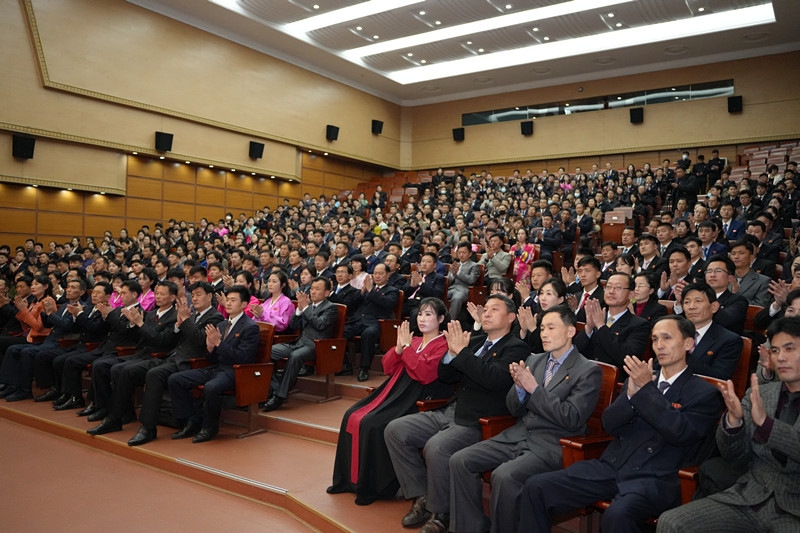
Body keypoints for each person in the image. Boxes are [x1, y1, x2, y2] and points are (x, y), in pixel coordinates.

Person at [517, 315, 724, 532]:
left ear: (688, 344)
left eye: (667, 338)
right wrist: (630, 396)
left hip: (655, 477)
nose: (659, 346)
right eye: (654, 340)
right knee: (536, 486)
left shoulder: (704, 392)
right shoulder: (640, 377)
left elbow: (680, 433)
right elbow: (610, 424)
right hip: (613, 466)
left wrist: (646, 391)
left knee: (617, 515)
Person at [449, 305, 602, 533]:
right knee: (460, 460)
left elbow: (572, 418)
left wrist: (534, 389)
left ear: (571, 331)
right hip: (517, 434)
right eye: (541, 328)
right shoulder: (534, 360)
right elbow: (512, 408)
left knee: (505, 476)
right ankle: (470, 527)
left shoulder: (588, 370)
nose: (544, 334)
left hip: (552, 443)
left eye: (551, 327)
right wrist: (520, 390)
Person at [384, 295, 530, 533]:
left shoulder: (517, 347)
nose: (487, 313)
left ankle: (442, 513)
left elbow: (493, 380)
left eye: (495, 309)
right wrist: (451, 354)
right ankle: (422, 496)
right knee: (396, 430)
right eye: (486, 310)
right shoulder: (475, 341)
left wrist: (462, 353)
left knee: (437, 447)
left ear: (511, 318)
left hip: (479, 419)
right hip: (451, 408)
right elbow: (446, 375)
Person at [657, 317, 800, 532]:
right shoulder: (761, 394)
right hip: (749, 496)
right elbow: (734, 455)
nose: (781, 357)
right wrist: (734, 424)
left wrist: (766, 425)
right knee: (672, 522)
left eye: (789, 349)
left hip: (793, 508)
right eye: (776, 350)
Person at [327, 298, 450, 505]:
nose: (422, 318)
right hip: (394, 391)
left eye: (429, 314)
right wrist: (400, 348)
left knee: (371, 424)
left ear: (441, 319)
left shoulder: (444, 345)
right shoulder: (416, 340)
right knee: (351, 415)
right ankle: (348, 482)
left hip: (415, 398)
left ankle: (374, 486)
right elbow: (387, 366)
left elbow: (424, 374)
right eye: (420, 314)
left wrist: (407, 348)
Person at [125, 281, 224, 446]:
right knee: (134, 369)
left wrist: (185, 320)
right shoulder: (192, 314)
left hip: (193, 362)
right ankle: (139, 418)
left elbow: (200, 340)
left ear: (209, 296)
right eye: (193, 295)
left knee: (154, 374)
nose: (195, 298)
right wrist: (180, 323)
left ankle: (148, 428)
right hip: (174, 357)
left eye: (199, 294)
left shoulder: (215, 316)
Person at [167, 285, 260, 443]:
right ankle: (190, 421)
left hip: (235, 371)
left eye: (233, 300)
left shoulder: (250, 327)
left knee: (211, 387)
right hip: (216, 368)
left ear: (244, 305)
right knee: (176, 379)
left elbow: (243, 358)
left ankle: (209, 428)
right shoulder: (223, 324)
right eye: (227, 300)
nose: (228, 303)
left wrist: (218, 344)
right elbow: (213, 357)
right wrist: (210, 349)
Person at [262, 277, 338, 412]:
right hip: (299, 342)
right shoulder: (306, 306)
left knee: (295, 356)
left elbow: (320, 325)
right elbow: (294, 325)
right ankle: (275, 388)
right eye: (312, 288)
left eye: (317, 289)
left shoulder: (330, 308)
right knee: (268, 352)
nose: (313, 292)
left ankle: (280, 396)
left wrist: (306, 308)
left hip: (316, 345)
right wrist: (299, 310)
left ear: (327, 293)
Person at [573, 273, 650, 375]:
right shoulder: (596, 315)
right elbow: (574, 352)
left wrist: (601, 326)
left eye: (618, 288)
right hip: (584, 375)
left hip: (611, 381)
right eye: (608, 287)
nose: (611, 291)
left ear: (631, 294)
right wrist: (589, 328)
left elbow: (626, 357)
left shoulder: (639, 325)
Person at [517, 277, 566, 353]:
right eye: (541, 293)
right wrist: (524, 331)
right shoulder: (539, 315)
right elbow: (524, 348)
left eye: (549, 294)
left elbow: (546, 349)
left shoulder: (564, 318)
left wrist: (533, 329)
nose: (543, 298)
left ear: (561, 299)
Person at [446, 242, 480, 322]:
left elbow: (471, 280)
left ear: (470, 253)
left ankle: (450, 323)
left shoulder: (474, 265)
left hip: (463, 290)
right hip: (451, 288)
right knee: (437, 293)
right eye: (459, 252)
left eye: (464, 252)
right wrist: (453, 275)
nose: (461, 255)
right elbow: (448, 281)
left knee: (457, 298)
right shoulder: (454, 264)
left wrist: (458, 272)